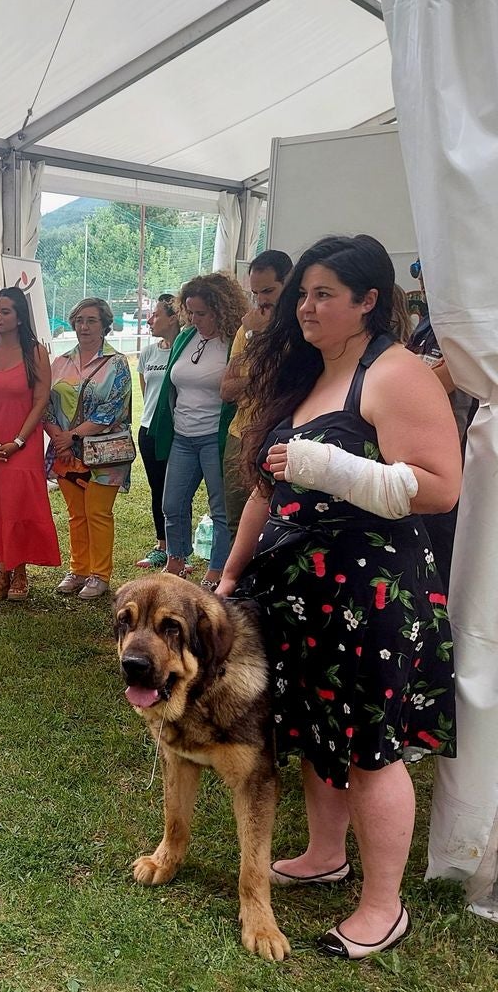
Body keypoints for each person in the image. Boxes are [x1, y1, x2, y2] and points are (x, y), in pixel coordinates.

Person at [217, 234, 461, 960]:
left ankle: (384, 907)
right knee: (313, 730)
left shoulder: (395, 373)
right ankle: (326, 852)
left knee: (369, 748)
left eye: (324, 294)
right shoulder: (312, 371)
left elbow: (441, 485)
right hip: (300, 588)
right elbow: (269, 485)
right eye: (303, 293)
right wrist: (229, 574)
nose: (306, 306)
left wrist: (333, 465)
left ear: (368, 301)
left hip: (371, 592)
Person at [149, 272, 247, 590]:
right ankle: (176, 560)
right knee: (172, 503)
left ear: (221, 309)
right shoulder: (185, 338)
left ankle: (217, 570)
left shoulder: (235, 341)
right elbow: (171, 387)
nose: (194, 318)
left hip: (214, 438)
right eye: (190, 311)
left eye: (201, 313)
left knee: (220, 508)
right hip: (183, 436)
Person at [0, 286, 58, 601]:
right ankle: (2, 569)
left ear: (19, 318)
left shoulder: (35, 353)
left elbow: (41, 400)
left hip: (22, 444)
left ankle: (18, 572)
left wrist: (18, 441)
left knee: (18, 506)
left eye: (5, 312)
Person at [45, 298, 132, 600]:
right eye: (80, 319)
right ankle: (79, 569)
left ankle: (100, 575)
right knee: (75, 514)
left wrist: (72, 436)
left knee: (97, 512)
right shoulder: (60, 362)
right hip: (65, 452)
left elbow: (113, 410)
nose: (84, 326)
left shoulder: (117, 363)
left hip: (105, 452)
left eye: (92, 320)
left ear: (105, 325)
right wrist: (60, 439)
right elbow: (46, 406)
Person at [403, 259, 473, 589]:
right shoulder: (428, 325)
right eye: (422, 275)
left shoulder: (466, 329)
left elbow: (432, 385)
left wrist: (417, 380)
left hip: (451, 462)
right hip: (413, 456)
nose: (425, 284)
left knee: (442, 563)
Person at [220, 250, 292, 533]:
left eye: (269, 291)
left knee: (273, 523)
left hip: (277, 435)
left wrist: (257, 338)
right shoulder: (248, 328)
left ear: (289, 283)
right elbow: (226, 389)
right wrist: (252, 336)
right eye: (255, 293)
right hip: (239, 435)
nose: (261, 300)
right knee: (236, 523)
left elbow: (278, 382)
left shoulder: (299, 329)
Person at [134, 295, 180, 569]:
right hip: (148, 429)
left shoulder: (185, 350)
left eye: (155, 315)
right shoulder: (149, 353)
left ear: (174, 317)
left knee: (176, 491)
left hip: (177, 432)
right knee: (157, 489)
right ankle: (162, 545)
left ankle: (179, 548)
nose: (150, 320)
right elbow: (147, 391)